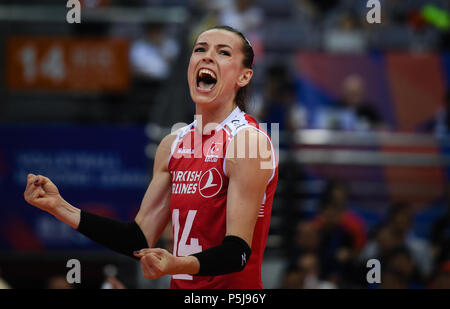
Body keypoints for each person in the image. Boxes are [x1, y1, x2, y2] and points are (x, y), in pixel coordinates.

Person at [24, 26, 278, 289]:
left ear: (244, 76)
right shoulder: (173, 144)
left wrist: (176, 264)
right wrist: (59, 206)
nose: (207, 56)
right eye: (200, 49)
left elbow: (237, 253)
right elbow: (138, 238)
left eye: (223, 52)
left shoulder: (248, 141)